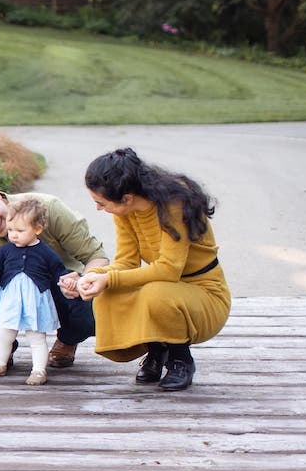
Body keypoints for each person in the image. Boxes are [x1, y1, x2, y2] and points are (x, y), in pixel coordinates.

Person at [77, 148, 230, 392]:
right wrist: (92, 276)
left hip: (205, 293)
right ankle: (156, 351)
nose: (98, 208)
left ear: (127, 197)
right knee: (110, 291)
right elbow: (126, 263)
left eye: (100, 203)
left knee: (154, 293)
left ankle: (180, 360)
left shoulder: (173, 205)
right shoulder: (124, 211)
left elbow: (169, 270)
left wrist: (109, 278)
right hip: (168, 287)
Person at [0, 179, 109, 371]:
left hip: (57, 288)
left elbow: (97, 257)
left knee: (90, 302)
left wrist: (83, 281)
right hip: (8, 298)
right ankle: (0, 348)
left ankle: (67, 339)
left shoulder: (47, 208)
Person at [0, 198, 70, 385]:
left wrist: (67, 280)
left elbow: (59, 271)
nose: (14, 235)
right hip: (10, 299)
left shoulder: (45, 252)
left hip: (34, 300)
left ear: (37, 229)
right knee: (4, 334)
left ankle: (38, 370)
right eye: (11, 230)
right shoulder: (5, 251)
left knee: (36, 338)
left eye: (20, 231)